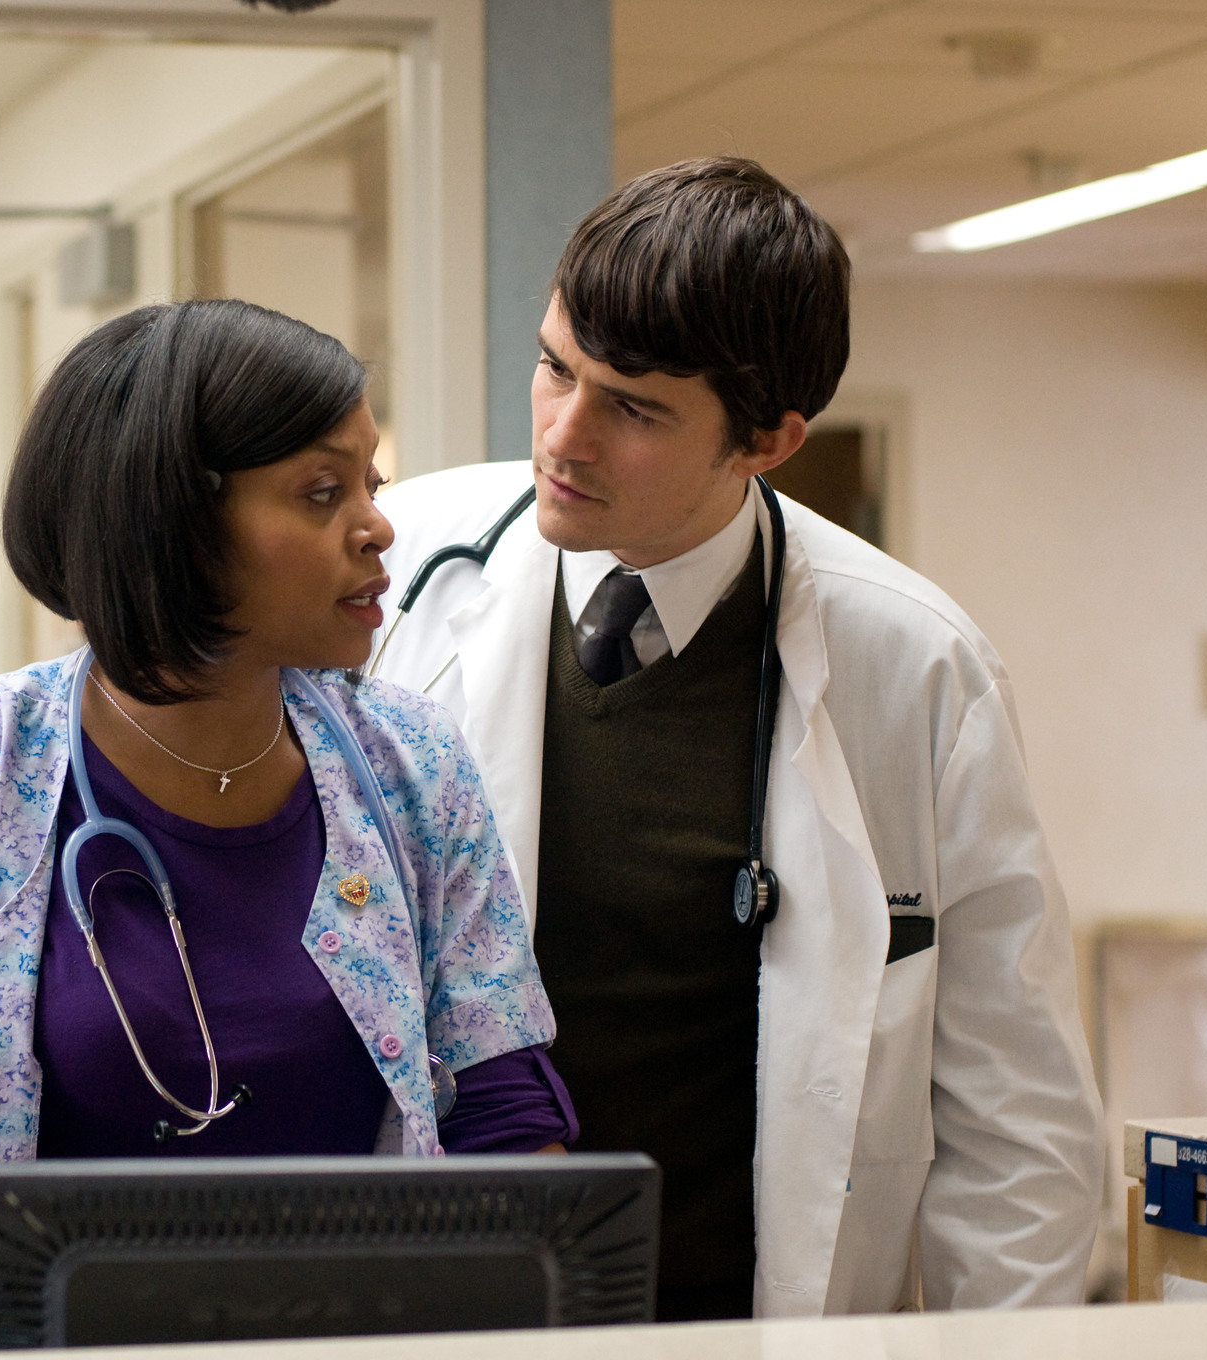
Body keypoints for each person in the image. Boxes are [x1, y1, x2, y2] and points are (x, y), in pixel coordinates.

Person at [367, 158, 1103, 1319]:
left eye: (633, 406)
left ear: (766, 439)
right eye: (555, 365)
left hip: (750, 1317)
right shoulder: (398, 569)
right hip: (460, 1302)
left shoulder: (914, 668)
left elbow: (1015, 1115)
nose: (564, 432)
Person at [0, 299, 574, 1357]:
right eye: (321, 490)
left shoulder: (410, 763)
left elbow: (506, 1131)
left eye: (369, 485)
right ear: (171, 522)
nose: (378, 526)